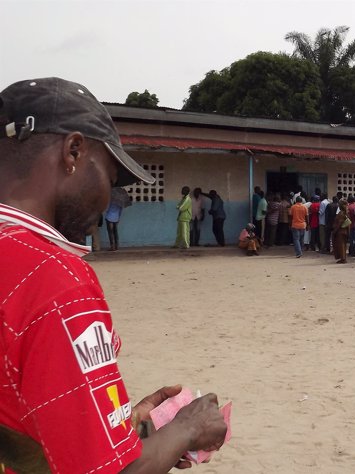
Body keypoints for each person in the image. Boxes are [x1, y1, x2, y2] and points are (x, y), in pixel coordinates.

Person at [0, 77, 227, 473]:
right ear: (73, 151)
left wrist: (118, 423)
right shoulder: (54, 278)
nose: (109, 201)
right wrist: (186, 430)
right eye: (110, 176)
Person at [105, 187, 130, 251]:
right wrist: (118, 218)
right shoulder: (120, 203)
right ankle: (117, 246)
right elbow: (120, 211)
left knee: (110, 232)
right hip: (116, 219)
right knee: (115, 232)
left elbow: (107, 209)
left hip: (109, 218)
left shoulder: (111, 200)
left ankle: (112, 246)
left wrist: (106, 211)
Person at [332, 199, 350, 263]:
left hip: (340, 232)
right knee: (343, 245)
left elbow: (339, 224)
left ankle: (343, 259)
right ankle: (343, 258)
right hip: (345, 231)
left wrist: (335, 231)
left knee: (341, 245)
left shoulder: (341, 213)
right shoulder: (346, 213)